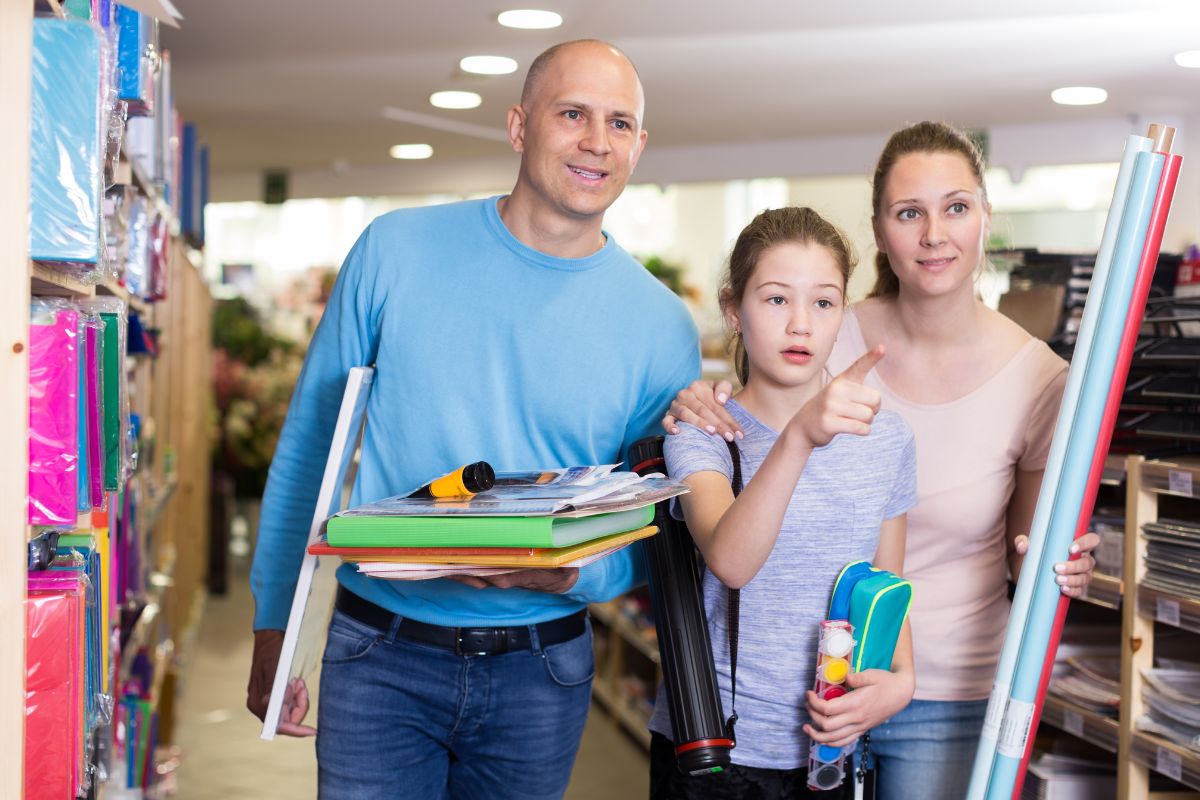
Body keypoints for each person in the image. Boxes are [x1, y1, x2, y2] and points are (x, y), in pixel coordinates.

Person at [244, 40, 700, 800]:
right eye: (573, 114)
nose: (597, 141)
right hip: (379, 653)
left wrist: (571, 573)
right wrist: (274, 625)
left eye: (619, 123)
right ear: (520, 127)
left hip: (541, 669)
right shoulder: (394, 251)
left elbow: (650, 531)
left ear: (640, 145)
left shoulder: (661, 326)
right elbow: (311, 449)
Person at [662, 121, 1099, 800]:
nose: (933, 234)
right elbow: (760, 413)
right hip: (752, 724)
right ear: (880, 229)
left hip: (934, 682)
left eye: (956, 206)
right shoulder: (828, 337)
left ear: (987, 216)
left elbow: (1010, 552)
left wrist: (1058, 564)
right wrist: (699, 397)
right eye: (908, 212)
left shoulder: (1034, 380)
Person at [648, 206, 917, 799]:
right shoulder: (701, 433)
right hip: (713, 752)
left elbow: (887, 587)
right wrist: (799, 437)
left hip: (830, 752)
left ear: (842, 313)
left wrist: (901, 683)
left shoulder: (888, 438)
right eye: (775, 300)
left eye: (822, 302)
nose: (801, 324)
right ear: (732, 311)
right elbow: (732, 560)